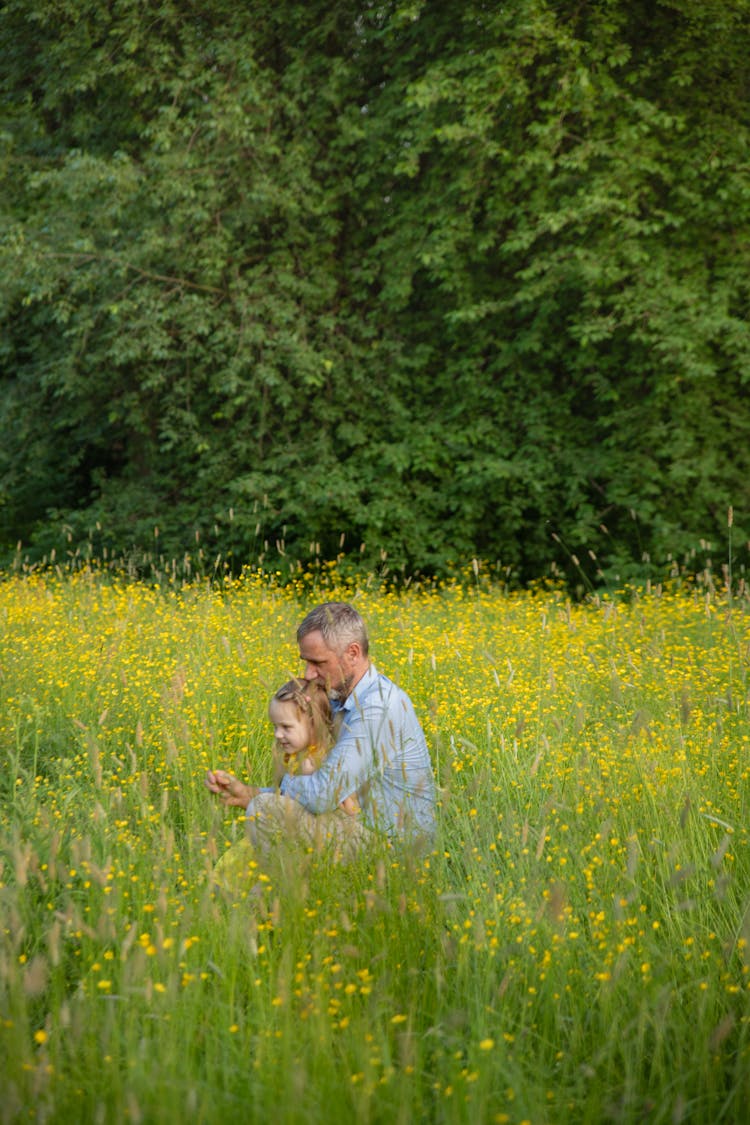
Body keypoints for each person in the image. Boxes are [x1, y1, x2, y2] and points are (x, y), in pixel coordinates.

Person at [206, 602, 436, 859]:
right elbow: (322, 789)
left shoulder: (379, 707)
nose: (308, 673)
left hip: (396, 852)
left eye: (318, 663)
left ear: (353, 652)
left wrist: (281, 784)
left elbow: (322, 794)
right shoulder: (337, 699)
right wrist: (248, 793)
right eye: (306, 662)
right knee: (265, 807)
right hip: (360, 830)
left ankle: (280, 898)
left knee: (266, 809)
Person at [211, 677, 360, 892]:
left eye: (286, 727)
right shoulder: (298, 758)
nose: (277, 734)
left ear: (313, 722)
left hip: (325, 839)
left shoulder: (316, 763)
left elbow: (347, 809)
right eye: (275, 726)